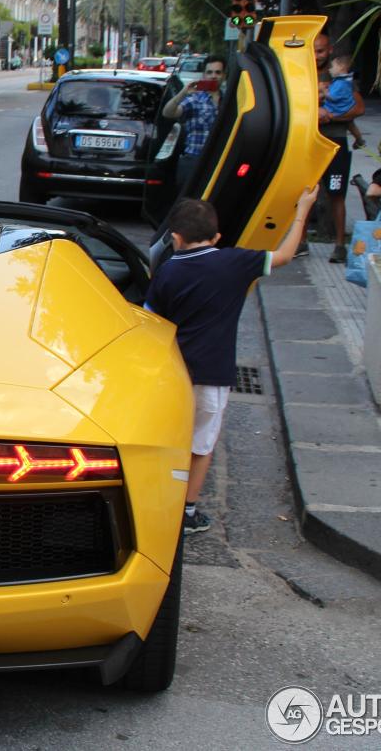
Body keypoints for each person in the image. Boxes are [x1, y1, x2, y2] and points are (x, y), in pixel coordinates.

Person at [145, 186, 320, 534]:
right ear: (218, 236)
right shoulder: (237, 262)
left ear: (176, 238)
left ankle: (156, 503)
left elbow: (151, 322)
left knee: (170, 439)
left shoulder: (167, 272)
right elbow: (285, 254)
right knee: (202, 444)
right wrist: (302, 209)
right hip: (214, 373)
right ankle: (187, 512)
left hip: (175, 372)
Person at [313, 32, 365, 263]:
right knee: (304, 193)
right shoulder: (302, 73)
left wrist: (330, 115)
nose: (316, 56)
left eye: (321, 51)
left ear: (330, 50)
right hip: (309, 144)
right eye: (313, 51)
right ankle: (300, 243)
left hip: (335, 145)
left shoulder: (343, 78)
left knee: (337, 194)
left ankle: (339, 246)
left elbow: (358, 109)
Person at [161, 55, 225, 191]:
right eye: (209, 72)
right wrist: (183, 92)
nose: (213, 76)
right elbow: (168, 113)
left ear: (224, 76)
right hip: (194, 161)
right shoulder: (194, 99)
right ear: (203, 75)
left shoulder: (229, 100)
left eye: (218, 72)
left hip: (219, 162)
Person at [322, 53, 364, 149]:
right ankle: (359, 139)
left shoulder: (340, 82)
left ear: (341, 67)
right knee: (350, 124)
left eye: (332, 67)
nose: (330, 69)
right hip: (344, 109)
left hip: (337, 111)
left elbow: (332, 97)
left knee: (349, 123)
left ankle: (359, 139)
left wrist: (324, 91)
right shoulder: (346, 80)